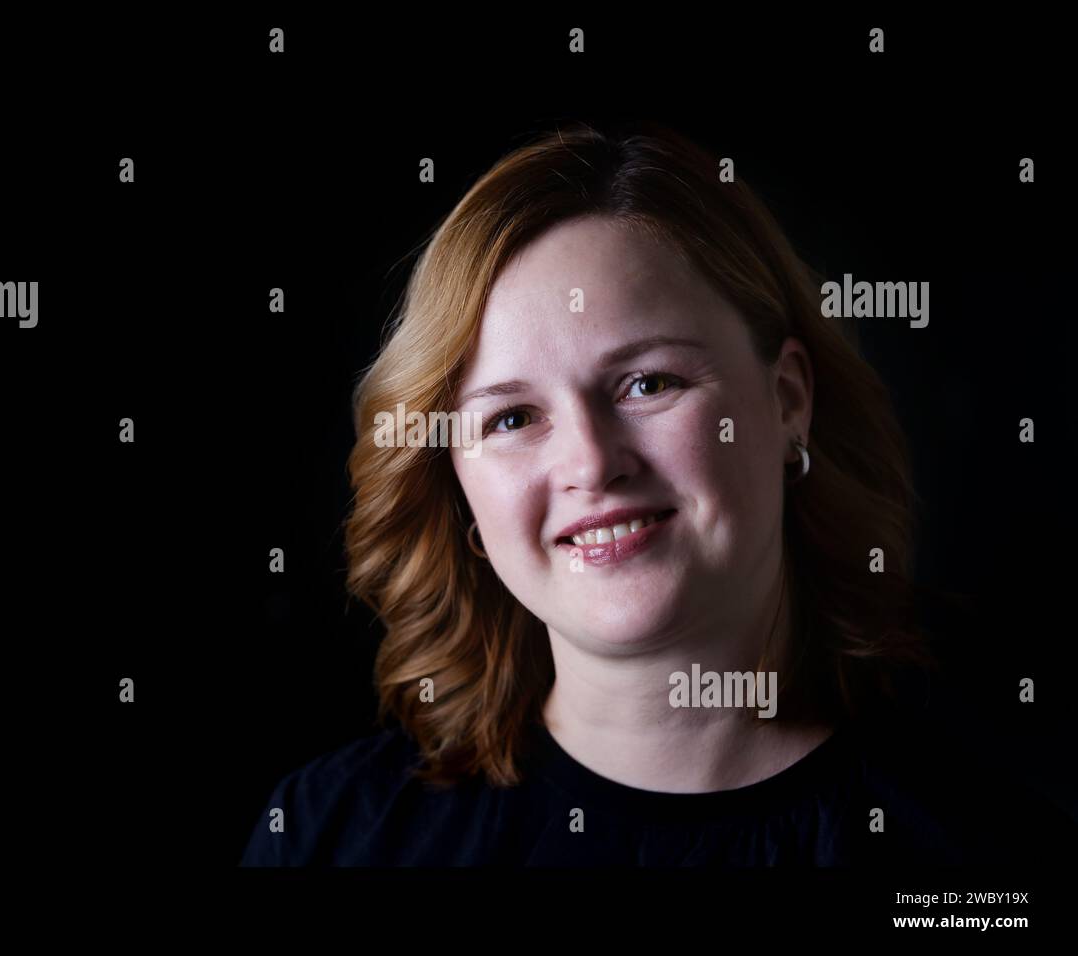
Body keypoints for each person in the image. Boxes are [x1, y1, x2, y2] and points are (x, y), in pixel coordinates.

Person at [240, 122, 1076, 866]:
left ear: (788, 400)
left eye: (647, 382)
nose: (592, 464)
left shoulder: (986, 856)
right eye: (512, 417)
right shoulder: (327, 834)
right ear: (458, 490)